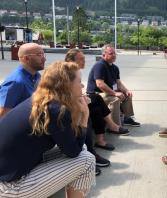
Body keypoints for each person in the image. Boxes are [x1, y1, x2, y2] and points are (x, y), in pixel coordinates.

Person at [0, 62, 96, 198]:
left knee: (83, 149)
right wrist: (84, 114)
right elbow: (74, 151)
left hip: (9, 173)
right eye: (79, 81)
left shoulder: (41, 101)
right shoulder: (56, 110)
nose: (82, 86)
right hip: (10, 187)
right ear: (66, 85)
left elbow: (72, 144)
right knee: (86, 160)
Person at [65, 49, 129, 152]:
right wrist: (81, 98)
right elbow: (66, 95)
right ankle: (112, 125)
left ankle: (100, 141)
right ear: (70, 61)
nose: (84, 61)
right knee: (98, 98)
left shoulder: (78, 71)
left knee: (97, 109)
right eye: (81, 59)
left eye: (84, 58)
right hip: (71, 103)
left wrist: (81, 97)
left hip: (79, 99)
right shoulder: (66, 73)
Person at [87, 44, 140, 127]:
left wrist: (126, 91)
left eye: (114, 53)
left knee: (127, 95)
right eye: (110, 53)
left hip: (107, 92)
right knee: (115, 99)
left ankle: (126, 118)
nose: (114, 55)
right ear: (104, 55)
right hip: (96, 94)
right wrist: (115, 93)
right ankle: (114, 126)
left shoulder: (114, 68)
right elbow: (100, 84)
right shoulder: (100, 66)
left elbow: (118, 84)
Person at [0, 43, 45, 119]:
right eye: (39, 55)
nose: (44, 59)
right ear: (26, 58)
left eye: (43, 54)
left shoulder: (36, 76)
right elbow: (2, 114)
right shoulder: (15, 82)